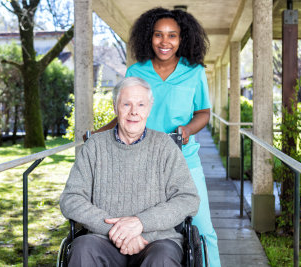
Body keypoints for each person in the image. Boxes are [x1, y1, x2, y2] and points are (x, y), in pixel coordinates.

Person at [94, 7, 221, 267]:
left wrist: (187, 129)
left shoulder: (194, 72)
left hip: (184, 159)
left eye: (172, 35)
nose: (165, 42)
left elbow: (204, 113)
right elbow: (126, 113)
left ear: (182, 38)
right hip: (142, 161)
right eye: (158, 35)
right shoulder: (135, 71)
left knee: (204, 229)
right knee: (145, 225)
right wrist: (97, 134)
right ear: (148, 38)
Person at [60, 77, 200, 266]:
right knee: (83, 249)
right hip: (103, 240)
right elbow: (71, 199)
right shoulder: (94, 146)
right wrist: (116, 231)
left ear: (149, 109)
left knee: (163, 258)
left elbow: (188, 198)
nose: (134, 112)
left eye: (141, 104)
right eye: (126, 104)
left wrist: (141, 223)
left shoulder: (165, 147)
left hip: (156, 242)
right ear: (115, 107)